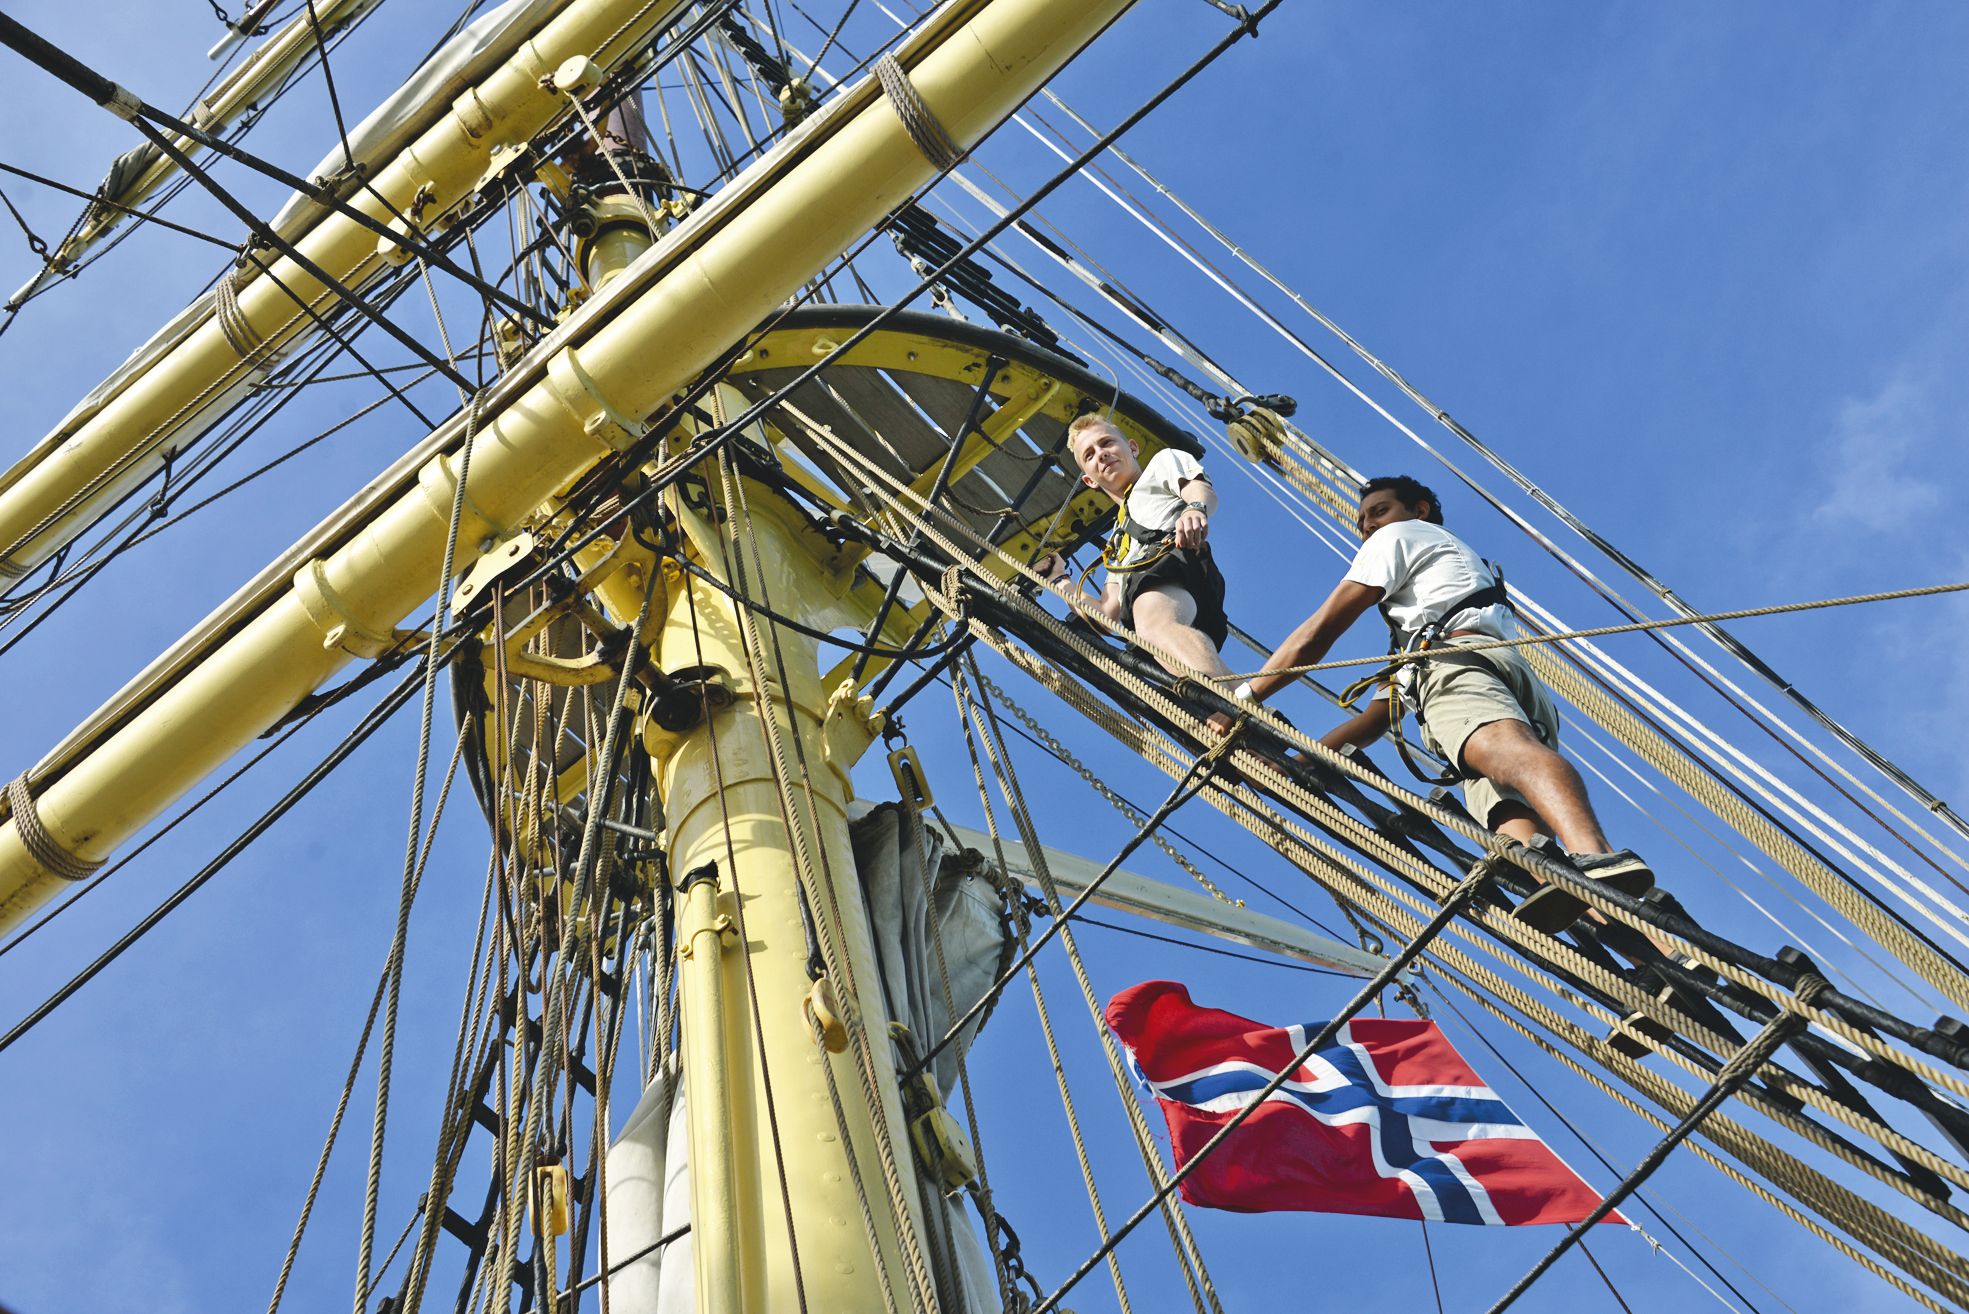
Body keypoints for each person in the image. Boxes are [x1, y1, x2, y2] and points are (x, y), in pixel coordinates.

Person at [1223, 474, 1653, 933]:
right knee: (1517, 834)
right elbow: (1373, 721)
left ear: (1419, 509)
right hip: (1486, 669)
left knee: (1503, 753)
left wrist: (1240, 699)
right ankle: (1652, 954)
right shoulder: (1426, 606)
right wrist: (1296, 763)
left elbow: (1319, 632)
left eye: (1379, 511)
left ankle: (1597, 857)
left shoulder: (1401, 537)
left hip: (1456, 664)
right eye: (1362, 520)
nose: (1368, 526)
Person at [1038, 414, 1235, 689]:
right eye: (1090, 454)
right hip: (1160, 599)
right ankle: (1234, 704)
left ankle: (1230, 700)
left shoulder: (1162, 463)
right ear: (1089, 480)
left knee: (1151, 626)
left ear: (1132, 447)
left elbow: (1199, 489)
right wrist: (1059, 580)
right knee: (1157, 651)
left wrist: (1194, 508)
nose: (1102, 455)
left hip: (1177, 562)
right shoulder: (1117, 546)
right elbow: (1107, 616)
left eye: (1106, 443)